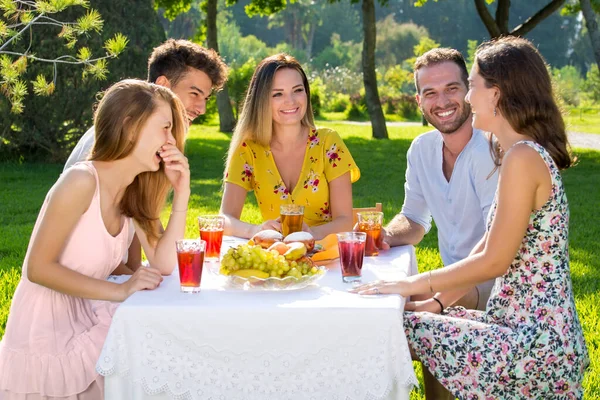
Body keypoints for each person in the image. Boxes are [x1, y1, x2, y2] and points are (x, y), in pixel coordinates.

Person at [352, 36, 589, 399]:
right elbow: (488, 241)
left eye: (471, 86)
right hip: (524, 328)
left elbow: (494, 260)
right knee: (407, 322)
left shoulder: (521, 158)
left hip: (533, 342)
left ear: (497, 93)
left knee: (391, 327)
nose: (466, 98)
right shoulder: (518, 153)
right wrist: (434, 299)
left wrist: (410, 285)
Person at [0, 79, 191, 399]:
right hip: (45, 332)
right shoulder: (80, 181)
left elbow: (165, 263)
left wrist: (182, 192)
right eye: (165, 128)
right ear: (131, 127)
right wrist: (120, 289)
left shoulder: (132, 190)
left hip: (87, 315)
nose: (171, 140)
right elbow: (38, 269)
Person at [64, 39, 228, 274]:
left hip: (111, 275)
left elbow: (135, 215)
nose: (201, 108)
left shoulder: (149, 144)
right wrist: (132, 281)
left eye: (206, 98)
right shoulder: (114, 144)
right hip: (83, 282)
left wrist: (136, 269)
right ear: (163, 85)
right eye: (194, 93)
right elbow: (82, 253)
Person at [380, 48, 498, 313]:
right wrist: (384, 235)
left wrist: (435, 299)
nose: (442, 101)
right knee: (383, 297)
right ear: (419, 101)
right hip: (453, 280)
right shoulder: (421, 149)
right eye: (430, 93)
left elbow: (495, 245)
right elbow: (414, 218)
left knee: (394, 308)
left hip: (497, 284)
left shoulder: (491, 149)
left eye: (451, 88)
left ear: (469, 91)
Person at [220, 53, 360, 240]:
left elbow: (345, 220)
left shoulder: (329, 143)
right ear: (262, 100)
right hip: (278, 258)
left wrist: (309, 234)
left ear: (306, 93)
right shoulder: (249, 149)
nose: (291, 101)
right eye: (278, 94)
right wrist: (255, 230)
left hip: (326, 256)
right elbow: (224, 218)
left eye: (297, 90)